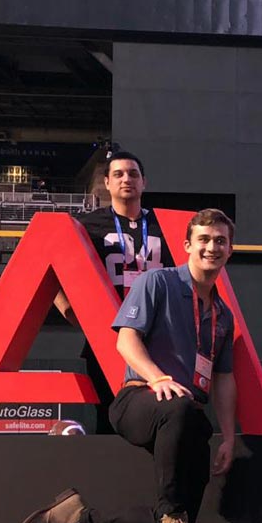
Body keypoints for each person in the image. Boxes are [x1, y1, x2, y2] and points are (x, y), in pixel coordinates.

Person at [13, 209, 239, 523]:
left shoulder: (223, 315)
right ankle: (173, 514)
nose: (212, 247)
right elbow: (126, 340)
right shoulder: (157, 282)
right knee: (176, 407)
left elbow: (223, 378)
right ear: (187, 246)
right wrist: (157, 377)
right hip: (137, 400)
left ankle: (76, 517)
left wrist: (228, 435)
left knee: (179, 512)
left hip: (188, 418)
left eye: (220, 241)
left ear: (230, 250)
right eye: (204, 239)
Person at [58, 150, 168, 433]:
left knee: (162, 410)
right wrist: (73, 314)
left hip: (158, 334)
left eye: (133, 174)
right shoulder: (87, 226)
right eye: (118, 174)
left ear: (145, 182)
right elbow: (54, 274)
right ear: (106, 182)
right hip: (107, 335)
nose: (126, 179)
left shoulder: (165, 226)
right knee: (108, 417)